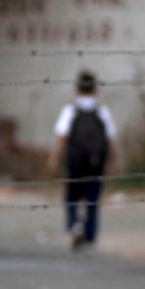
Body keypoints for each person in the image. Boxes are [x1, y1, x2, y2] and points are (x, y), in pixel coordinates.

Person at [49, 70, 117, 250]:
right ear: (95, 90)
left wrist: (54, 158)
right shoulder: (102, 111)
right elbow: (110, 140)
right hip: (96, 162)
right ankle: (89, 235)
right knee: (92, 199)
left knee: (72, 197)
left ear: (76, 88)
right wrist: (113, 161)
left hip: (75, 162)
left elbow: (61, 137)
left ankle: (74, 226)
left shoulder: (70, 110)